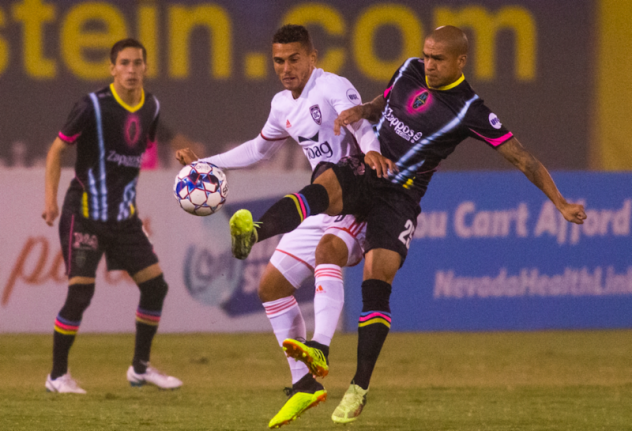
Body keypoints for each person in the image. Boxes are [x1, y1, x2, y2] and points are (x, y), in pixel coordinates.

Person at [228, 25, 588, 423]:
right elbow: (382, 103)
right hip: (369, 168)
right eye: (426, 55)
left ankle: (358, 387)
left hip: (401, 196)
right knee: (325, 182)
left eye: (438, 59)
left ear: (459, 62)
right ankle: (255, 232)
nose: (428, 64)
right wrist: (359, 111)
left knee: (376, 277)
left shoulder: (470, 110)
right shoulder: (410, 69)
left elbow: (522, 158)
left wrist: (560, 203)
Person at [176, 24, 381, 428]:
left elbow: (360, 125)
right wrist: (207, 163)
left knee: (327, 253)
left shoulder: (333, 86)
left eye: (294, 59)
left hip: (357, 200)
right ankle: (304, 384)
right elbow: (258, 149)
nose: (286, 68)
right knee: (270, 288)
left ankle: (319, 348)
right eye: (278, 60)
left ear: (312, 57)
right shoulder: (282, 105)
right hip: (319, 203)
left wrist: (372, 151)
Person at [42, 38, 182, 394]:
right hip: (84, 213)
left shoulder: (151, 106)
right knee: (80, 294)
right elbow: (57, 149)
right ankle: (57, 376)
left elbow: (141, 148)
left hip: (124, 219)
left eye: (137, 63)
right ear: (112, 68)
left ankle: (139, 369)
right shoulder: (92, 105)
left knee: (155, 287)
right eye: (124, 63)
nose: (131, 70)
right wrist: (51, 200)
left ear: (145, 67)